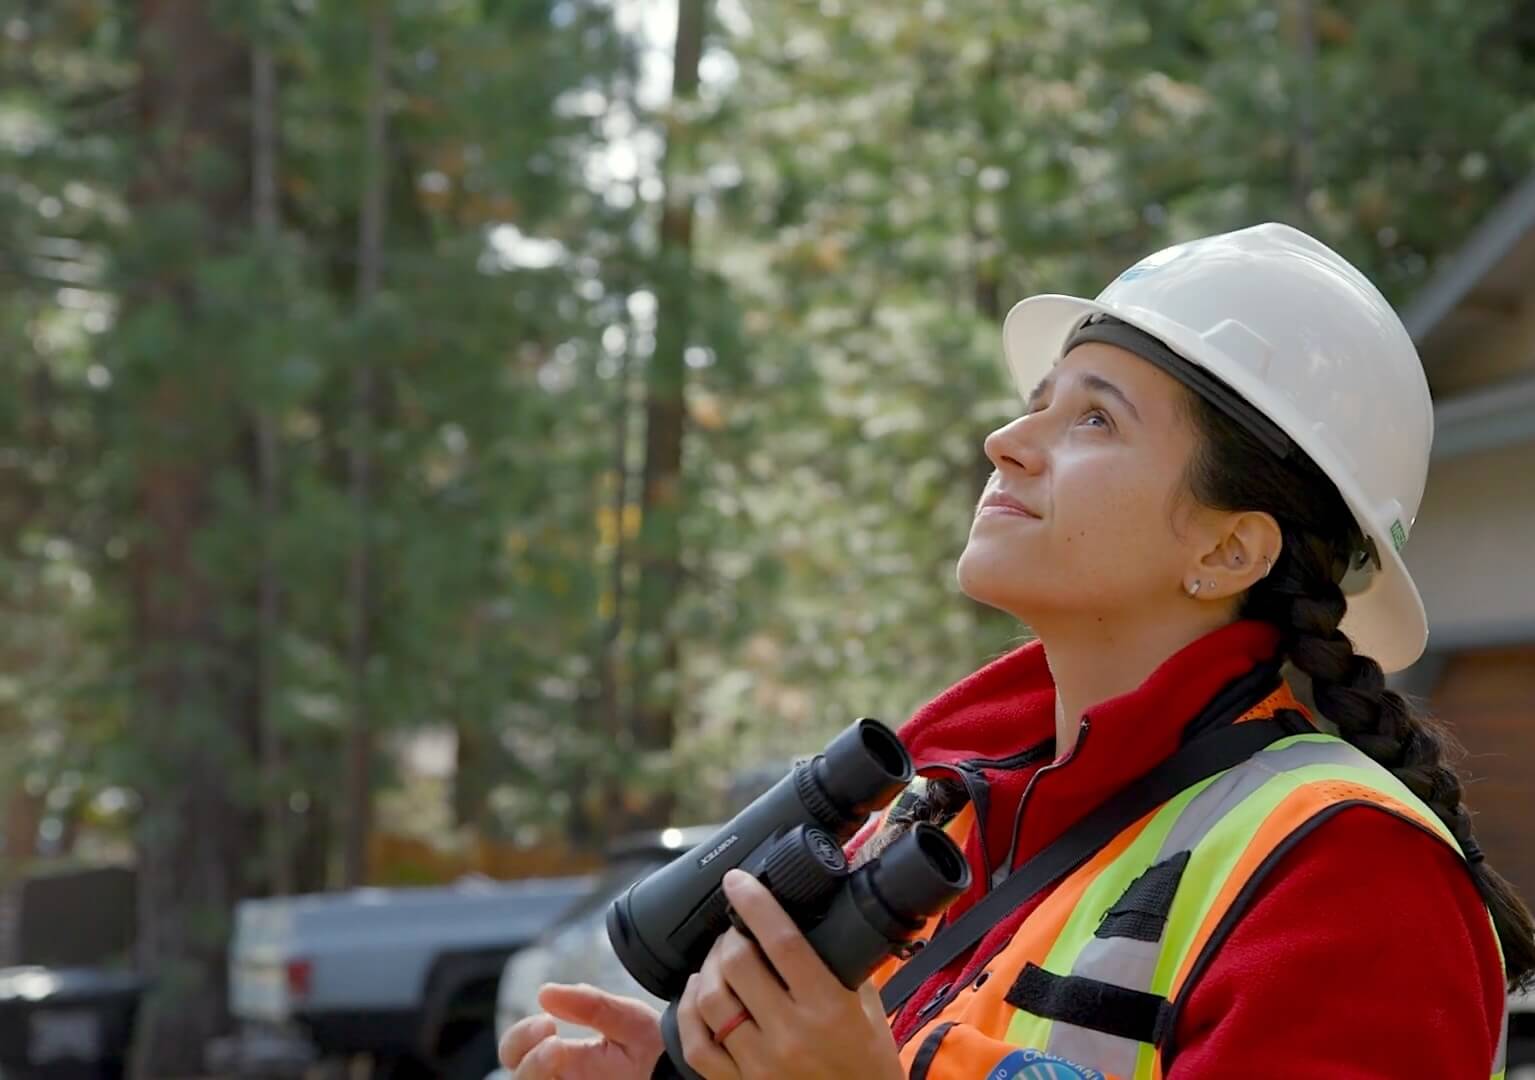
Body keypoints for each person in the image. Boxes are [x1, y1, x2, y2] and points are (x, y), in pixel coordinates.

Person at [499, 223, 1535, 1079]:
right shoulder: (949, 812)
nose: (1007, 438)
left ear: (1228, 547)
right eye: (1040, 400)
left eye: (1093, 418)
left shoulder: (1358, 880)